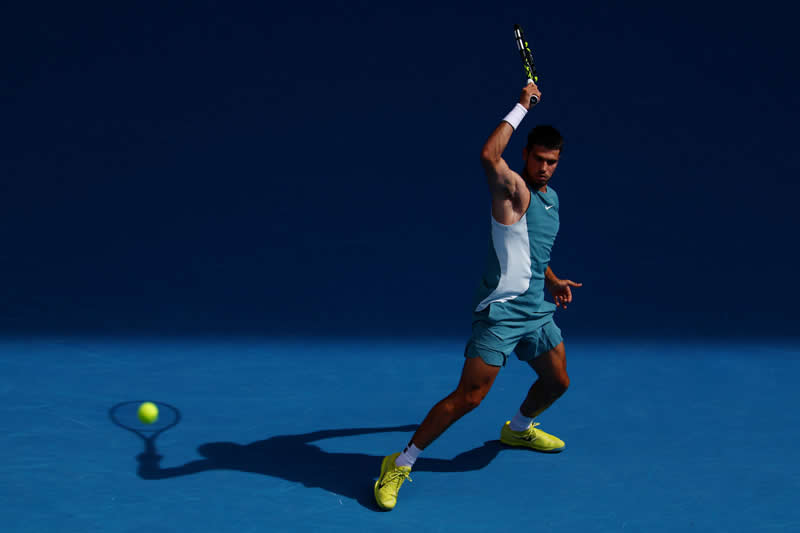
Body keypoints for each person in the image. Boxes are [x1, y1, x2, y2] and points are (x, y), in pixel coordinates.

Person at [373, 81, 582, 511]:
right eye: (539, 159)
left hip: (537, 312)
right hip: (502, 315)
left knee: (557, 380)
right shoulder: (512, 191)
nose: (545, 168)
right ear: (525, 155)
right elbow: (488, 156)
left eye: (553, 162)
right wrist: (522, 105)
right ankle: (400, 461)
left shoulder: (552, 200)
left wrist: (553, 281)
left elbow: (533, 253)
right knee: (469, 396)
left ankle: (518, 428)